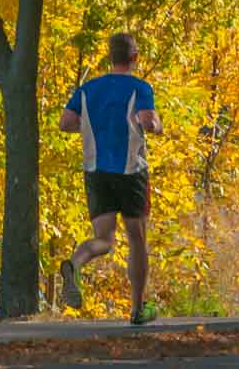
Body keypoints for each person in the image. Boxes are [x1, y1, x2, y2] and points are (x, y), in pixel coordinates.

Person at [58, 32, 163, 325]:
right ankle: (138, 309)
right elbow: (147, 121)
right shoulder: (140, 87)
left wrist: (96, 128)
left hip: (96, 171)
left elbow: (65, 123)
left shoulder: (87, 89)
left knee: (104, 239)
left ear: (109, 57)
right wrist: (157, 125)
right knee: (136, 239)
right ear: (135, 58)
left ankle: (75, 263)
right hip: (130, 172)